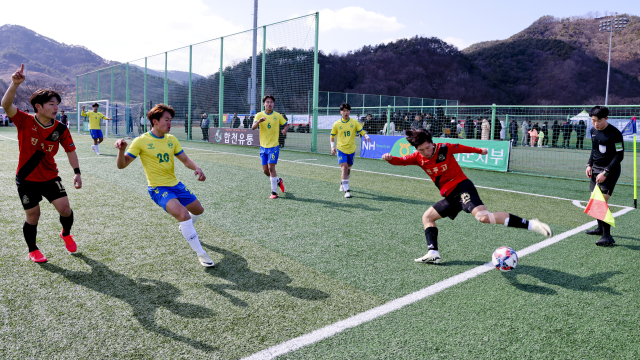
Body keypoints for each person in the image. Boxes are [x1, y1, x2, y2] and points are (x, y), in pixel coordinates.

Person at [381, 129, 552, 263]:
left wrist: (480, 151)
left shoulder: (444, 148)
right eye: (421, 149)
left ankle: (531, 224)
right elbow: (400, 161)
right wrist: (389, 158)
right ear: (417, 149)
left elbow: (462, 147)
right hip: (450, 196)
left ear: (432, 143)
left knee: (483, 218)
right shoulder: (418, 157)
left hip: (462, 188)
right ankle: (433, 253)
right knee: (427, 217)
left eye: (428, 147)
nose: (426, 151)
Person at [114, 104, 214, 267]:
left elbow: (185, 160)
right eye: (166, 120)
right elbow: (122, 165)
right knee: (183, 215)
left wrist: (197, 168)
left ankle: (185, 228)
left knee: (198, 210)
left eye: (170, 120)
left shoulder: (171, 140)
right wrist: (121, 150)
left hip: (176, 185)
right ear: (155, 121)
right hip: (157, 188)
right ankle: (201, 254)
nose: (170, 123)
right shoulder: (141, 141)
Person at [1, 64, 81, 263]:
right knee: (33, 215)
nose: (56, 108)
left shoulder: (61, 129)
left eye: (57, 104)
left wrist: (77, 172)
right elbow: (6, 105)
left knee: (65, 210)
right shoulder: (24, 121)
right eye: (52, 104)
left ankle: (66, 233)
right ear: (39, 106)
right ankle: (33, 249)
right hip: (27, 178)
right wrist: (14, 84)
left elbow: (70, 150)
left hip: (50, 176)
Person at [584, 106, 624, 247]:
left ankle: (607, 237)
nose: (595, 124)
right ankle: (600, 228)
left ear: (606, 118)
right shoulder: (593, 131)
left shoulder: (615, 133)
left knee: (599, 202)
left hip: (610, 170)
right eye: (593, 120)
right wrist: (589, 164)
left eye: (598, 121)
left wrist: (605, 172)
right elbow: (594, 149)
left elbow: (619, 155)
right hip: (595, 169)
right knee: (594, 200)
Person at [252, 95, 290, 199]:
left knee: (271, 167)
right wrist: (259, 121)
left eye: (271, 102)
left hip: (274, 146)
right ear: (264, 104)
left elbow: (287, 125)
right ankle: (278, 180)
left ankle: (274, 192)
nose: (269, 104)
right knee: (265, 171)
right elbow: (253, 127)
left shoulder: (277, 115)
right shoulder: (259, 115)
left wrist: (284, 130)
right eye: (267, 102)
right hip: (263, 147)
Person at [330, 103, 371, 198]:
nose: (346, 112)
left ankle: (343, 183)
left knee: (348, 169)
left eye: (347, 110)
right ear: (341, 112)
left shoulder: (354, 122)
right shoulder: (336, 124)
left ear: (350, 112)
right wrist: (332, 147)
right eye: (344, 111)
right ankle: (347, 191)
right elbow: (332, 136)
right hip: (341, 149)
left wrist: (366, 136)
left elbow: (361, 131)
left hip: (351, 150)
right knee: (344, 168)